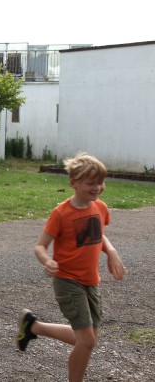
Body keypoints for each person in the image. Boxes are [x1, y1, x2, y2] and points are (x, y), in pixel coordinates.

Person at [17, 153, 126, 382]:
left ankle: (33, 327)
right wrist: (47, 261)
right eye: (91, 183)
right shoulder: (61, 213)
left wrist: (111, 252)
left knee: (88, 338)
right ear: (73, 183)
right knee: (87, 341)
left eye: (101, 182)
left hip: (91, 281)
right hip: (67, 281)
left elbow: (98, 235)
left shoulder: (100, 207)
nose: (97, 188)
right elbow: (40, 246)